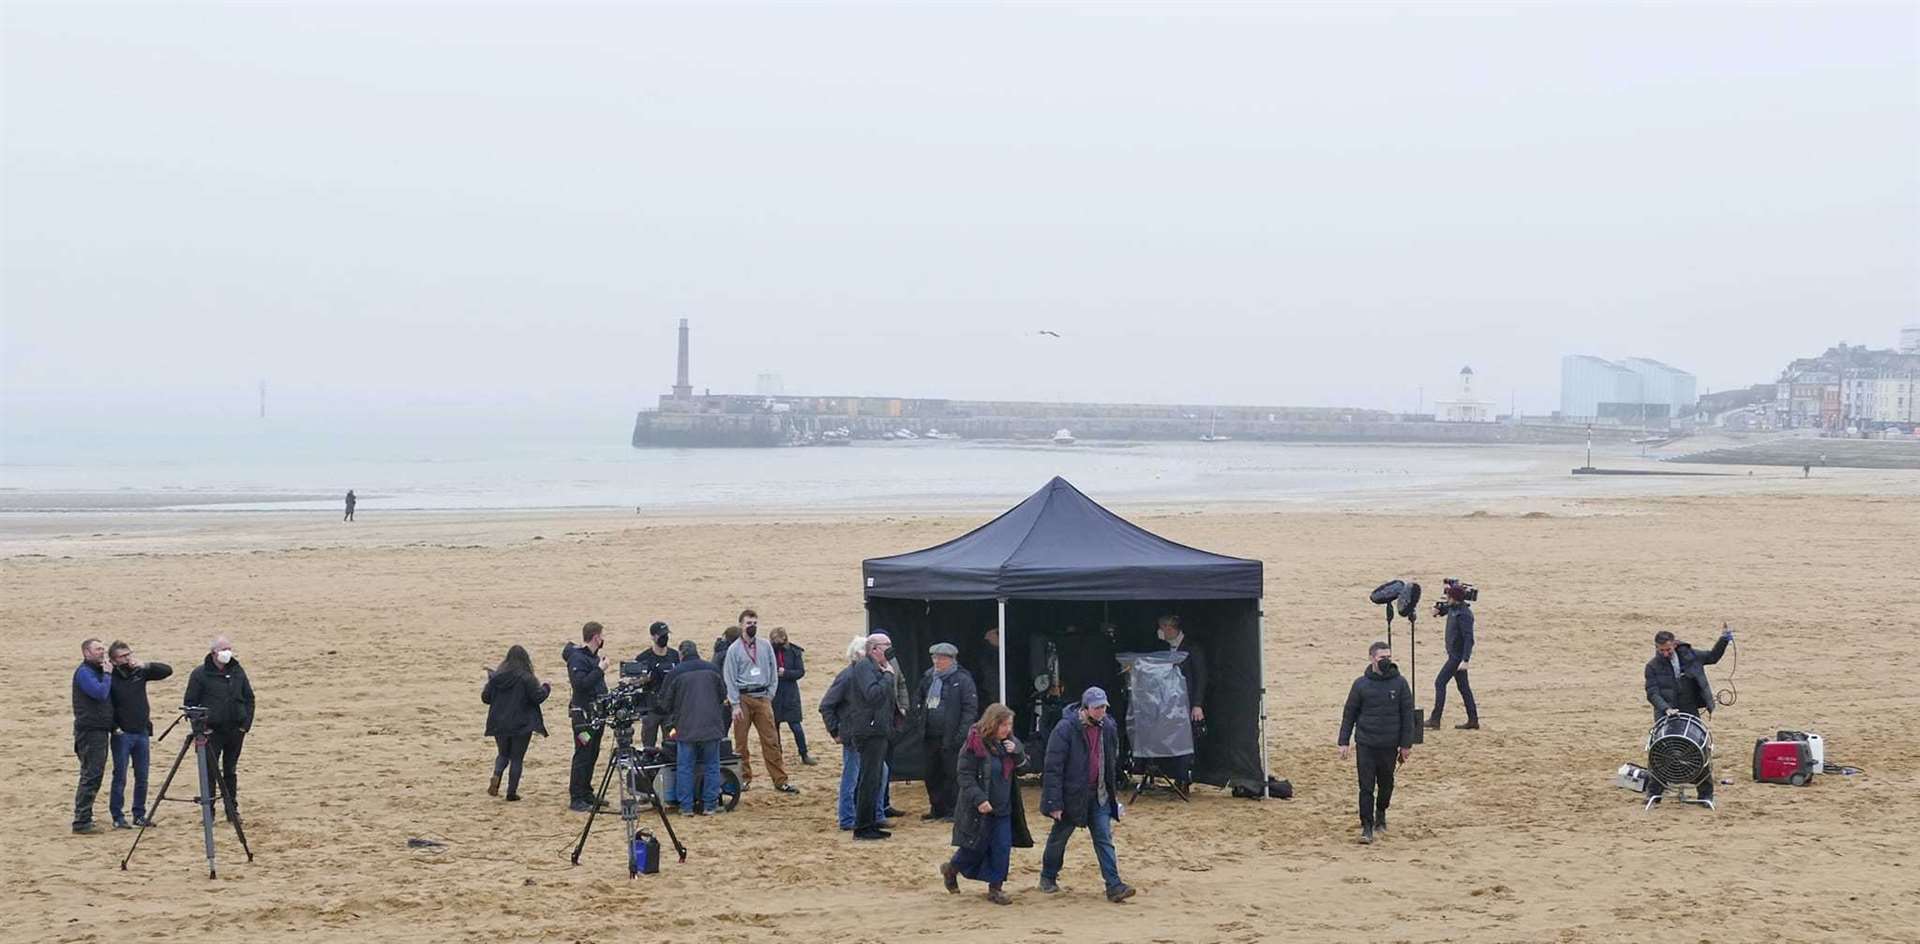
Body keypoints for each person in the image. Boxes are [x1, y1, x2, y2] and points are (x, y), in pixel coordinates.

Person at [1038, 687, 1133, 902]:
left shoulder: (1108, 727)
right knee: (1059, 838)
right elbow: (1053, 767)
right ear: (1085, 708)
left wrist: (1111, 793)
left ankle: (1114, 885)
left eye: (1104, 707)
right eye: (1097, 707)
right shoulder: (1065, 729)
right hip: (1072, 795)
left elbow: (1109, 760)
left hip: (1098, 794)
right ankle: (1048, 876)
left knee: (1104, 840)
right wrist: (1055, 802)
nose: (1101, 711)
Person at [941, 703, 1032, 905]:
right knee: (973, 848)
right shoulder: (974, 743)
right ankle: (951, 869)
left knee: (1002, 847)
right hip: (979, 809)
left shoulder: (1010, 744)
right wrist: (979, 799)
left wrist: (1017, 753)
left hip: (1004, 807)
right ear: (992, 724)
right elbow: (964, 775)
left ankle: (996, 888)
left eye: (1009, 725)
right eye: (1004, 725)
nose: (1007, 729)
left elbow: (1025, 769)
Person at [1338, 641, 1416, 845]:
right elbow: (1349, 714)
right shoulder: (1360, 684)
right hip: (1365, 744)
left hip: (1389, 745)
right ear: (1372, 658)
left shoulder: (1400, 683)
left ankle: (1381, 811)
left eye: (1389, 657)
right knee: (1365, 787)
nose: (1386, 661)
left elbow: (1408, 716)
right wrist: (1343, 741)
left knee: (1386, 785)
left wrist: (1406, 745)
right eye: (1382, 657)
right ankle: (1367, 826)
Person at [1643, 626, 1733, 802]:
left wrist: (1723, 640)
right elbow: (1652, 692)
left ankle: (1706, 794)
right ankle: (1654, 794)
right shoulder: (1651, 666)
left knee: (1698, 750)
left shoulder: (1691, 656)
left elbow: (1713, 657)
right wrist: (1666, 708)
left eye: (1668, 650)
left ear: (1674, 645)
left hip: (1689, 709)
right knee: (1661, 752)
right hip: (1666, 714)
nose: (1665, 653)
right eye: (1660, 650)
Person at [821, 634, 894, 830]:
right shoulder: (848, 676)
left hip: (867, 732)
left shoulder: (871, 674)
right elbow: (827, 704)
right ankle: (847, 818)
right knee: (852, 777)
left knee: (879, 774)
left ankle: (876, 814)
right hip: (854, 734)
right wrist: (835, 731)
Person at [184, 635, 256, 826]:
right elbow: (190, 704)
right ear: (213, 652)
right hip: (211, 732)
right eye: (224, 649)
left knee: (230, 771)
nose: (227, 652)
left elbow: (249, 698)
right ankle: (209, 813)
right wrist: (200, 730)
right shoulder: (200, 674)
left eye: (229, 648)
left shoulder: (237, 671)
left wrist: (244, 725)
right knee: (209, 772)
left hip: (235, 730)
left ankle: (232, 810)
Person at [724, 608, 797, 794]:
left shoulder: (765, 646)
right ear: (741, 625)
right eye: (749, 623)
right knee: (741, 743)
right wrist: (734, 704)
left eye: (755, 623)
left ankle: (780, 780)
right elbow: (729, 678)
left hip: (763, 696)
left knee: (771, 740)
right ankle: (744, 779)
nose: (752, 626)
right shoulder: (733, 650)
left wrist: (770, 694)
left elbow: (773, 671)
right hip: (743, 698)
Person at [107, 641, 172, 828]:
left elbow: (166, 670)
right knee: (120, 777)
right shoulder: (110, 677)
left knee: (142, 776)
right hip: (122, 734)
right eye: (123, 656)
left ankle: (139, 814)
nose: (127, 659)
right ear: (113, 660)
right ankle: (118, 816)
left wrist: (145, 665)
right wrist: (114, 727)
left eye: (129, 654)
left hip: (141, 731)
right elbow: (105, 705)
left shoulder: (139, 672)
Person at [663, 640, 730, 814]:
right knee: (711, 766)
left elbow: (665, 702)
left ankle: (686, 807)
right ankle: (710, 805)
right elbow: (723, 694)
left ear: (681, 654)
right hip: (711, 726)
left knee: (685, 767)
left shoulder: (676, 672)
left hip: (686, 728)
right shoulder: (712, 669)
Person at [844, 630, 900, 840]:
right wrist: (887, 676)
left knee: (875, 778)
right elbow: (873, 695)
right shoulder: (865, 667)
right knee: (869, 778)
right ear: (874, 649)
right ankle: (863, 827)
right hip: (869, 731)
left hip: (879, 730)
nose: (890, 649)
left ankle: (870, 823)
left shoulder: (876, 666)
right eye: (886, 646)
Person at [917, 642, 980, 821]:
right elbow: (920, 700)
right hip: (930, 735)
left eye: (941, 658)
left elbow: (970, 710)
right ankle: (937, 808)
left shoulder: (963, 680)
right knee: (931, 774)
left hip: (952, 737)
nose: (937, 661)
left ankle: (954, 810)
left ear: (952, 660)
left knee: (952, 775)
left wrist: (961, 735)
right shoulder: (928, 678)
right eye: (934, 657)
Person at [482, 644, 550, 802]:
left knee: (503, 753)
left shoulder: (497, 677)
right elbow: (538, 697)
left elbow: (485, 698)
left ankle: (497, 774)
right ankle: (511, 793)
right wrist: (546, 687)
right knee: (517, 758)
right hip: (521, 723)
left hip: (499, 722)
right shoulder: (527, 677)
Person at [563, 621, 611, 812]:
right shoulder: (578, 659)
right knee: (583, 754)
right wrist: (600, 669)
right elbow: (580, 685)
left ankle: (586, 792)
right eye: (601, 635)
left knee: (592, 753)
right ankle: (576, 797)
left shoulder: (592, 658)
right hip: (582, 719)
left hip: (596, 716)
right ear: (596, 637)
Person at [1156, 615, 1207, 786]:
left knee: (1186, 741)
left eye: (1162, 628)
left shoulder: (1192, 647)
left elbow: (1201, 676)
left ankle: (1184, 779)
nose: (1160, 632)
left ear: (1170, 628)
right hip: (1169, 704)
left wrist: (1197, 704)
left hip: (1188, 702)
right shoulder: (1164, 647)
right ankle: (1175, 775)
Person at [71, 638, 114, 834]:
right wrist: (106, 675)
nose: (102, 652)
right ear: (86, 653)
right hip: (89, 731)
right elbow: (99, 693)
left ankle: (84, 817)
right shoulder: (84, 673)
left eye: (102, 649)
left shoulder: (94, 671)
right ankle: (81, 821)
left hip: (99, 729)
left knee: (94, 774)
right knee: (91, 774)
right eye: (97, 649)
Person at [1428, 587, 1480, 730]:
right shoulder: (1455, 608)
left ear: (1455, 598)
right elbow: (1446, 609)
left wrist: (1466, 660)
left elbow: (1469, 639)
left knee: (1440, 683)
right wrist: (1438, 611)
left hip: (1457, 657)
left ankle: (1435, 719)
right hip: (1455, 655)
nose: (1447, 599)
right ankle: (1473, 720)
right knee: (1464, 688)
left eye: (1449, 597)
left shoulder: (1464, 615)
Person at [629, 622, 680, 749]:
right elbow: (632, 681)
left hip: (670, 708)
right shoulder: (643, 658)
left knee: (672, 744)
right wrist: (643, 680)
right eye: (661, 635)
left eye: (666, 635)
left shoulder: (675, 656)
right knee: (648, 744)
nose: (664, 638)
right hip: (651, 709)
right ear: (653, 637)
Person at [769, 627, 815, 765]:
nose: (776, 643)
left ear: (784, 639)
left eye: (778, 640)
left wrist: (786, 673)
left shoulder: (794, 652)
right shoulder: (768, 651)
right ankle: (777, 755)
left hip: (790, 693)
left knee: (795, 726)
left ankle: (804, 754)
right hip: (774, 693)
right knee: (774, 727)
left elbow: (800, 672)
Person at [976, 625, 1003, 708]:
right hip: (991, 690)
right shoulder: (986, 653)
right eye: (997, 634)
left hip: (999, 689)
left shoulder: (1004, 651)